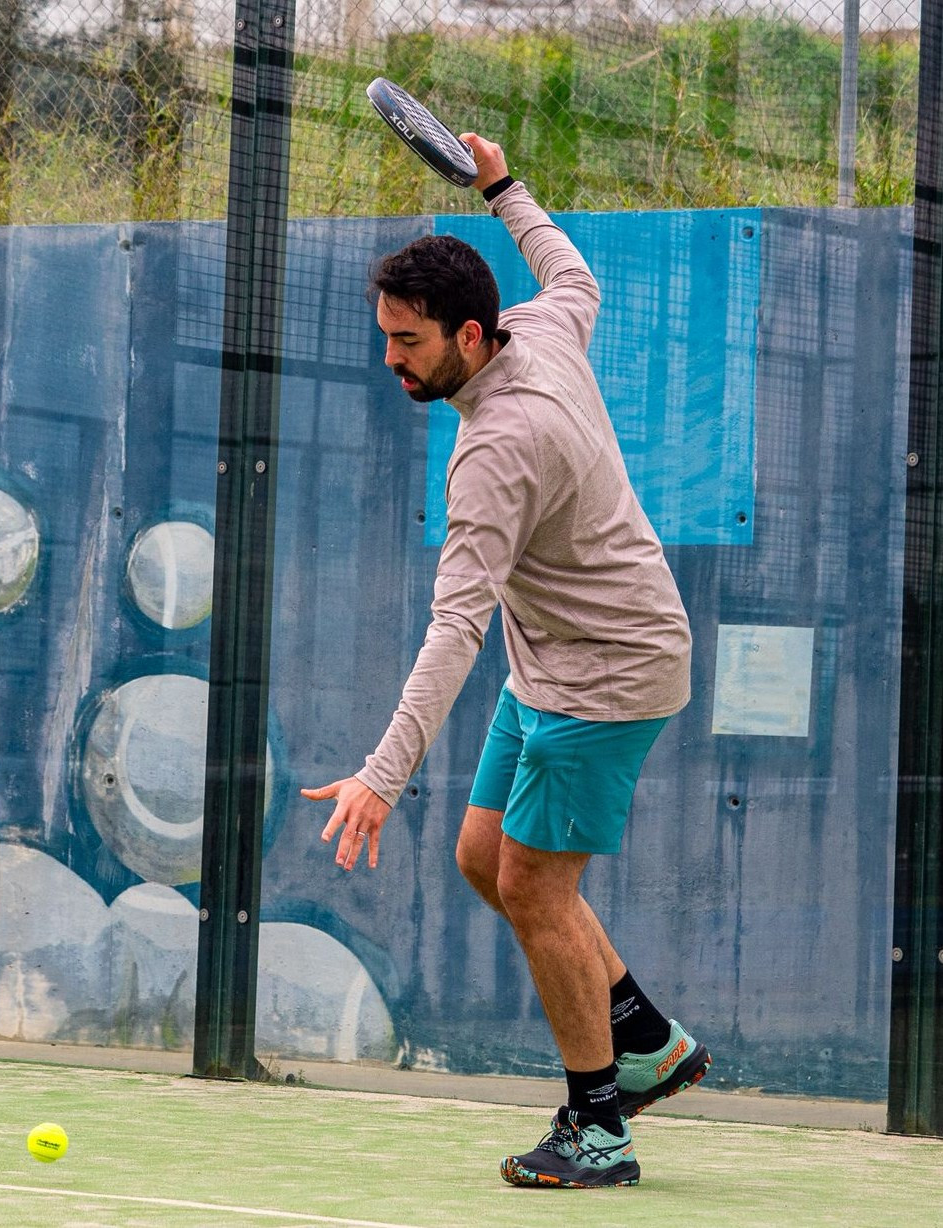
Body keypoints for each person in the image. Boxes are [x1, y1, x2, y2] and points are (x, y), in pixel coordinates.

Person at [301, 134, 710, 1189]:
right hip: (556, 660)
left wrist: (381, 776)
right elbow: (575, 274)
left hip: (608, 673)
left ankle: (599, 1128)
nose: (391, 359)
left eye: (408, 341)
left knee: (532, 884)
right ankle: (645, 1040)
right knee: (485, 856)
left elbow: (455, 631)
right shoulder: (543, 325)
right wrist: (502, 186)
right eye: (385, 336)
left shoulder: (495, 450)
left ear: (471, 335)